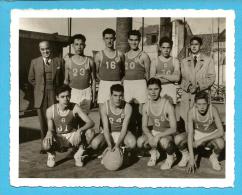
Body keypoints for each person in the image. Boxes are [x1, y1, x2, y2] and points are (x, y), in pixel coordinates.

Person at [42, 85, 96, 168]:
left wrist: (79, 130)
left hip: (72, 136)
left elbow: (91, 122)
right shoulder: (50, 110)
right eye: (62, 97)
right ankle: (51, 155)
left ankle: (78, 154)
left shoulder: (75, 107)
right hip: (59, 137)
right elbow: (50, 129)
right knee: (46, 142)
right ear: (57, 98)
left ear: (70, 96)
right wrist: (49, 133)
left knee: (90, 132)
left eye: (68, 96)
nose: (65, 99)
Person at [28, 40, 65, 154]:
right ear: (40, 50)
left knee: (56, 119)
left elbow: (62, 78)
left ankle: (59, 144)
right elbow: (31, 78)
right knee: (43, 121)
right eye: (43, 49)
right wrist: (40, 87)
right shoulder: (34, 62)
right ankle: (45, 145)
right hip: (41, 95)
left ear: (51, 48)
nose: (45, 51)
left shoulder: (59, 61)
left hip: (54, 93)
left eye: (47, 48)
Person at [137, 78, 177, 170]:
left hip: (167, 133)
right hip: (155, 132)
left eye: (156, 89)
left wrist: (158, 136)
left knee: (164, 142)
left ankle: (171, 156)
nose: (153, 92)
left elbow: (174, 128)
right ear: (147, 90)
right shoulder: (146, 105)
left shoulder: (167, 105)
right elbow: (144, 126)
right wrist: (150, 136)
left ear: (161, 89)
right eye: (150, 89)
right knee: (140, 142)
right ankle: (154, 153)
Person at [180, 36, 216, 129]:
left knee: (202, 121)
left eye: (196, 44)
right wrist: (188, 87)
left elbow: (211, 77)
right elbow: (181, 79)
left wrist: (199, 86)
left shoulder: (208, 60)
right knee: (188, 122)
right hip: (188, 96)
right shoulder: (184, 61)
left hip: (202, 95)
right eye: (192, 44)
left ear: (200, 46)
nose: (194, 47)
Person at [186, 91, 225, 172]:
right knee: (179, 139)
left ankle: (214, 157)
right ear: (195, 104)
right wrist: (192, 158)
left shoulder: (212, 109)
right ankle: (185, 155)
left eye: (204, 104)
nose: (202, 107)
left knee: (221, 143)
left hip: (210, 134)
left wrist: (202, 140)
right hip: (197, 134)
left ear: (208, 103)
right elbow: (190, 134)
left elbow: (221, 131)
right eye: (199, 104)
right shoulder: (191, 112)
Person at [97, 84, 136, 162]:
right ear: (110, 95)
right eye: (115, 95)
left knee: (132, 143)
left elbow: (124, 129)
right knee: (95, 144)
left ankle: (122, 149)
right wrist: (109, 144)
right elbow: (106, 128)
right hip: (110, 132)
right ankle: (107, 149)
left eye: (120, 95)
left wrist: (117, 145)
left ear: (123, 95)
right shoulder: (105, 107)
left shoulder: (128, 107)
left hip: (122, 133)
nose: (118, 98)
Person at [123, 30, 151, 136]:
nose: (134, 42)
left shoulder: (144, 56)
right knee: (128, 112)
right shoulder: (124, 56)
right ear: (128, 41)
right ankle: (130, 137)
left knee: (140, 112)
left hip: (140, 84)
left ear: (139, 41)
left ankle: (140, 136)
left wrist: (148, 91)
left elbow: (148, 75)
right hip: (127, 84)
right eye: (131, 40)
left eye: (136, 40)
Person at [64, 34, 96, 114]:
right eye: (76, 44)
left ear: (84, 45)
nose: (79, 47)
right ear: (73, 46)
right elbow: (66, 81)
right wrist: (65, 96)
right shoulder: (68, 62)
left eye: (81, 44)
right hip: (73, 92)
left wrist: (94, 97)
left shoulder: (90, 61)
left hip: (86, 92)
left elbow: (94, 80)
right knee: (72, 117)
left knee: (85, 118)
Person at [94, 28, 125, 105]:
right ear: (103, 39)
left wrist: (120, 81)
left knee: (117, 108)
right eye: (107, 38)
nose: (109, 41)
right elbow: (96, 73)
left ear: (114, 38)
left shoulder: (120, 54)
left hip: (117, 83)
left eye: (111, 38)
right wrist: (103, 81)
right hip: (104, 84)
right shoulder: (99, 55)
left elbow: (124, 71)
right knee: (102, 108)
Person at [151, 37, 180, 104]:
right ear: (160, 48)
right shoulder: (155, 61)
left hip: (172, 90)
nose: (166, 50)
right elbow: (152, 79)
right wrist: (171, 78)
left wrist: (161, 75)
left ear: (171, 48)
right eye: (163, 47)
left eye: (168, 48)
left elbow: (177, 78)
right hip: (158, 90)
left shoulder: (175, 61)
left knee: (172, 111)